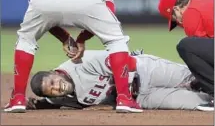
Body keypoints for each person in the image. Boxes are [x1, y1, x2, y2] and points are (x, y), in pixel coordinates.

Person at [4, 0, 142, 113]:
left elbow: (41, 15)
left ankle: (17, 98)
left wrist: (65, 38)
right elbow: (108, 9)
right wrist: (82, 38)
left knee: (26, 41)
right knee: (115, 41)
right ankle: (124, 98)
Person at [26, 50, 212, 111]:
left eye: (53, 82)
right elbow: (51, 102)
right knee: (195, 103)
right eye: (51, 91)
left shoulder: (81, 63)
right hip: (143, 98)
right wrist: (39, 105)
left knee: (194, 77)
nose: (56, 87)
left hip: (145, 71)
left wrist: (122, 86)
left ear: (55, 73)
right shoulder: (59, 98)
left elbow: (124, 61)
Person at [158, 0, 214, 111]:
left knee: (185, 46)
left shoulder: (190, 13)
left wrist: (198, 82)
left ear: (176, 9)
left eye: (174, 19)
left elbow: (205, 60)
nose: (178, 22)